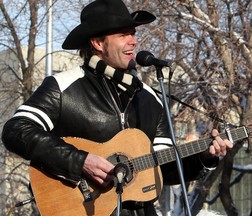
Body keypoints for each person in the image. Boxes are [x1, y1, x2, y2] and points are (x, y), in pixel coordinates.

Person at [1, 0, 233, 215]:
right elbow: (16, 130)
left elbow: (164, 169)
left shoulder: (150, 97)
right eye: (124, 35)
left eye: (133, 34)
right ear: (98, 43)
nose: (133, 41)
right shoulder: (63, 86)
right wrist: (81, 161)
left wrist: (204, 157)